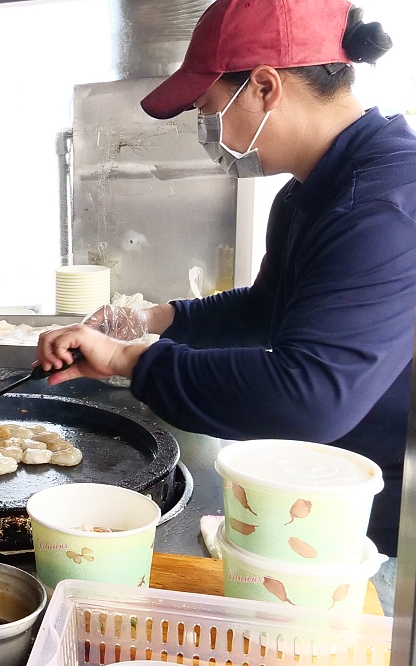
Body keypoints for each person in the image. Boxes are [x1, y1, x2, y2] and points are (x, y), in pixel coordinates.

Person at [38, 0, 416, 556]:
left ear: (265, 87)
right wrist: (150, 319)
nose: (203, 130)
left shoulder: (385, 202)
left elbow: (310, 394)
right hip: (347, 486)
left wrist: (127, 360)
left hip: (396, 509)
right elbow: (268, 309)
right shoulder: (308, 192)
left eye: (207, 108)